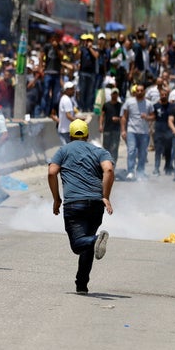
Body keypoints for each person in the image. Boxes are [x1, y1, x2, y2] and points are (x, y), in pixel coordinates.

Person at [47, 119, 114, 295]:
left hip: (74, 205)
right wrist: (105, 197)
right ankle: (81, 284)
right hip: (96, 205)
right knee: (88, 246)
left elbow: (52, 172)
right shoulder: (99, 151)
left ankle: (95, 239)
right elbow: (108, 170)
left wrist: (56, 199)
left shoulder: (63, 151)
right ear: (87, 135)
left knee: (79, 244)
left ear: (70, 135)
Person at [120, 83, 154, 181]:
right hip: (132, 131)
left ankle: (140, 172)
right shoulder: (129, 102)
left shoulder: (148, 103)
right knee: (131, 151)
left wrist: (147, 117)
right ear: (135, 91)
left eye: (141, 90)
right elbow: (124, 117)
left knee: (143, 153)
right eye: (137, 90)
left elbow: (153, 116)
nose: (139, 92)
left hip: (144, 132)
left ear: (144, 92)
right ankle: (130, 171)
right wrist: (123, 130)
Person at [98, 87, 122, 164]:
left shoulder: (120, 105)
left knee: (114, 148)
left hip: (116, 130)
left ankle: (113, 166)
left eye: (116, 94)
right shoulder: (106, 105)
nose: (114, 95)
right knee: (106, 148)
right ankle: (106, 164)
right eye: (113, 94)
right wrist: (101, 125)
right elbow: (102, 115)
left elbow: (123, 117)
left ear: (118, 95)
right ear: (111, 94)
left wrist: (118, 119)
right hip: (107, 129)